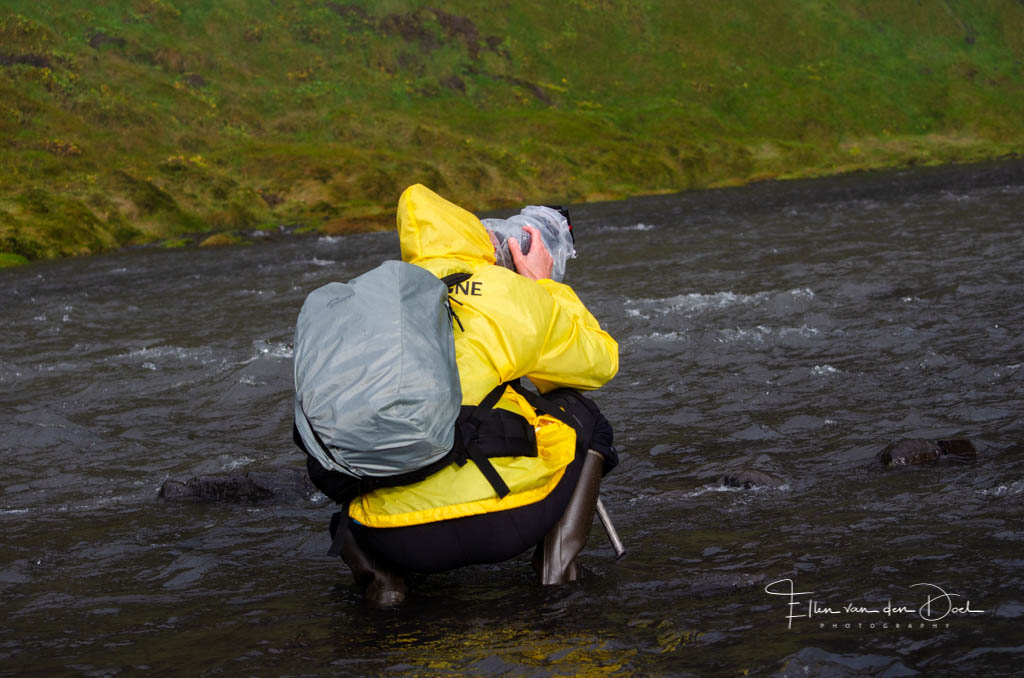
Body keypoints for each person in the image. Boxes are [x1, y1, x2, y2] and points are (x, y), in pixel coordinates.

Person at [300, 184, 619, 607]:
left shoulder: (371, 306)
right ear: (479, 237)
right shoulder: (504, 290)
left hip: (389, 535)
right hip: (507, 521)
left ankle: (385, 585)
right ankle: (556, 574)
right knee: (587, 418)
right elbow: (598, 362)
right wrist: (543, 287)